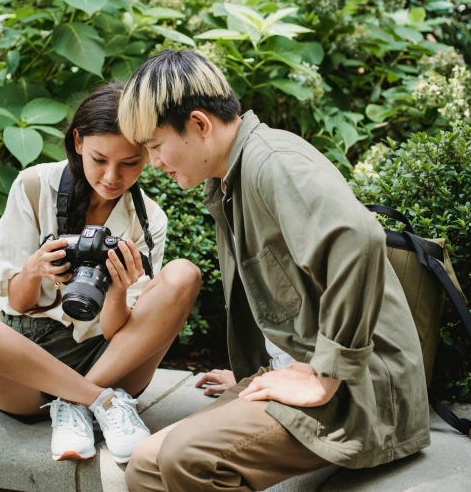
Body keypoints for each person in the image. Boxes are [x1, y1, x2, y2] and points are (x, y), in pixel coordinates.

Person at [118, 51, 431, 492]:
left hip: (359, 393)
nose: (153, 162)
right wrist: (261, 366)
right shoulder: (231, 178)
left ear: (200, 124)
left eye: (154, 146)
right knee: (146, 465)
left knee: (184, 458)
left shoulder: (271, 161)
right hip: (294, 370)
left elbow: (360, 238)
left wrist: (325, 376)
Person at [0, 83, 201, 464]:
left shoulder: (148, 218)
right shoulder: (34, 186)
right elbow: (19, 301)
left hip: (105, 359)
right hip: (24, 368)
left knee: (184, 274)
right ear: (78, 141)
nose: (112, 177)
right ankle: (97, 401)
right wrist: (34, 269)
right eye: (99, 159)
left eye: (130, 163)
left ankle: (79, 400)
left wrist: (116, 290)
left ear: (147, 153)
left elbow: (117, 332)